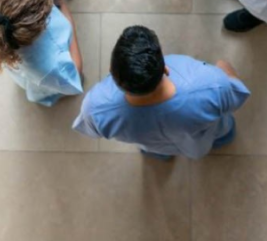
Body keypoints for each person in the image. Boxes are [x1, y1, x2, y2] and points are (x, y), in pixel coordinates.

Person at [72, 25, 250, 159]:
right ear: (165, 69)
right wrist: (225, 69)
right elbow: (237, 96)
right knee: (221, 134)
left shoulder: (95, 108)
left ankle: (162, 156)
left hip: (154, 145)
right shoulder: (212, 85)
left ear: (111, 71)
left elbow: (89, 129)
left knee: (156, 151)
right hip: (198, 142)